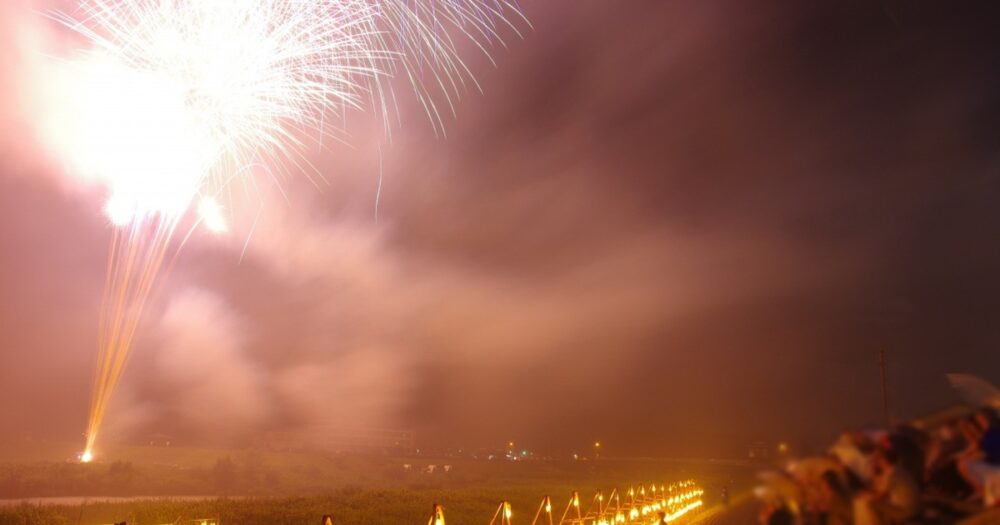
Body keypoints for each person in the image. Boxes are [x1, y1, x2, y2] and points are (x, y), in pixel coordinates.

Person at [854, 449, 920, 525]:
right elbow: (882, 491)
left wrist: (865, 495)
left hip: (905, 510)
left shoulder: (892, 474)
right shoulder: (898, 470)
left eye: (878, 459)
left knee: (871, 505)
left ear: (884, 461)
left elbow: (881, 495)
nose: (877, 462)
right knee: (875, 503)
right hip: (912, 507)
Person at [958, 407, 1000, 501]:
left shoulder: (990, 435)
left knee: (964, 464)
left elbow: (983, 454)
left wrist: (969, 456)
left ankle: (981, 491)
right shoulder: (991, 433)